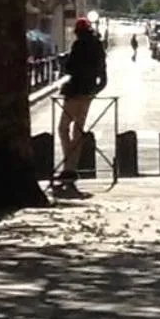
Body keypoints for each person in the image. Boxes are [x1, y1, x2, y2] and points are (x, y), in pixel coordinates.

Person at [55, 17, 107, 190]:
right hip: (88, 92)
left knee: (63, 128)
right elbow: (102, 72)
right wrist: (95, 90)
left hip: (75, 91)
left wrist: (65, 61)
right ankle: (71, 167)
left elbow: (70, 68)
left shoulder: (79, 45)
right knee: (78, 130)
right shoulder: (98, 44)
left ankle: (69, 166)